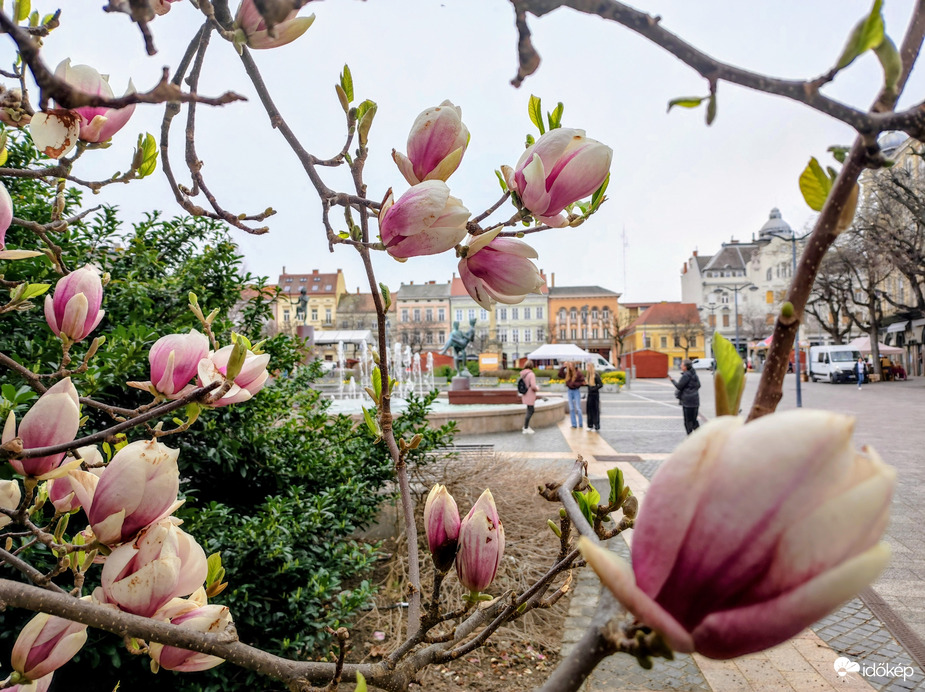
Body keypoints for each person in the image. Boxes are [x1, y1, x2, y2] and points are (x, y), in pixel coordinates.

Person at [669, 359, 701, 434]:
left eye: (682, 365)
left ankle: (690, 437)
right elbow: (699, 385)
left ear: (685, 367)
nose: (680, 366)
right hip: (695, 400)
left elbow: (679, 386)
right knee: (694, 420)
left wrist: (672, 380)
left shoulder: (686, 375)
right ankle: (700, 435)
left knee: (688, 421)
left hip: (687, 401)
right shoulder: (694, 374)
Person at [519, 360, 539, 434]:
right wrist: (537, 388)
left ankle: (526, 426)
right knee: (531, 410)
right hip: (530, 394)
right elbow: (533, 386)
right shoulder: (531, 374)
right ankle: (526, 427)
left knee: (529, 409)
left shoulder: (523, 374)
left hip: (525, 393)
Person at [565, 362, 586, 429]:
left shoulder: (578, 373)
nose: (570, 367)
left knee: (578, 408)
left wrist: (575, 384)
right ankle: (574, 424)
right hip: (569, 391)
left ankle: (580, 423)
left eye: (571, 365)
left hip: (576, 391)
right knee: (571, 408)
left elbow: (583, 381)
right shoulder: (568, 373)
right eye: (569, 366)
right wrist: (563, 367)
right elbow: (560, 374)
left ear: (574, 366)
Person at [585, 361, 603, 431]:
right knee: (589, 410)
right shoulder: (588, 375)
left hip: (595, 395)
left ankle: (596, 425)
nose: (587, 368)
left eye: (588, 366)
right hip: (590, 394)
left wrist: (594, 388)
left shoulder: (596, 375)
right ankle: (590, 425)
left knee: (595, 410)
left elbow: (601, 385)